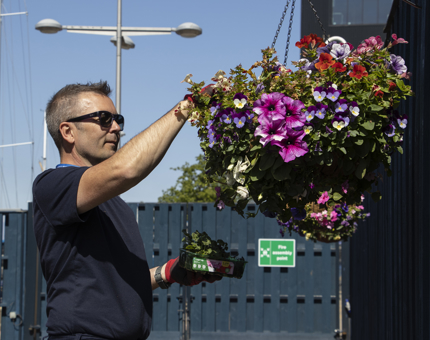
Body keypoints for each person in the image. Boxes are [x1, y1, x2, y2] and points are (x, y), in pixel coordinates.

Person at [32, 81, 220, 340]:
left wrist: (168, 272)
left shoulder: (112, 203)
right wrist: (188, 106)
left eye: (117, 119)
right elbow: (127, 168)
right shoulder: (52, 185)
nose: (117, 127)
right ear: (68, 131)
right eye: (104, 119)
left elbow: (115, 282)